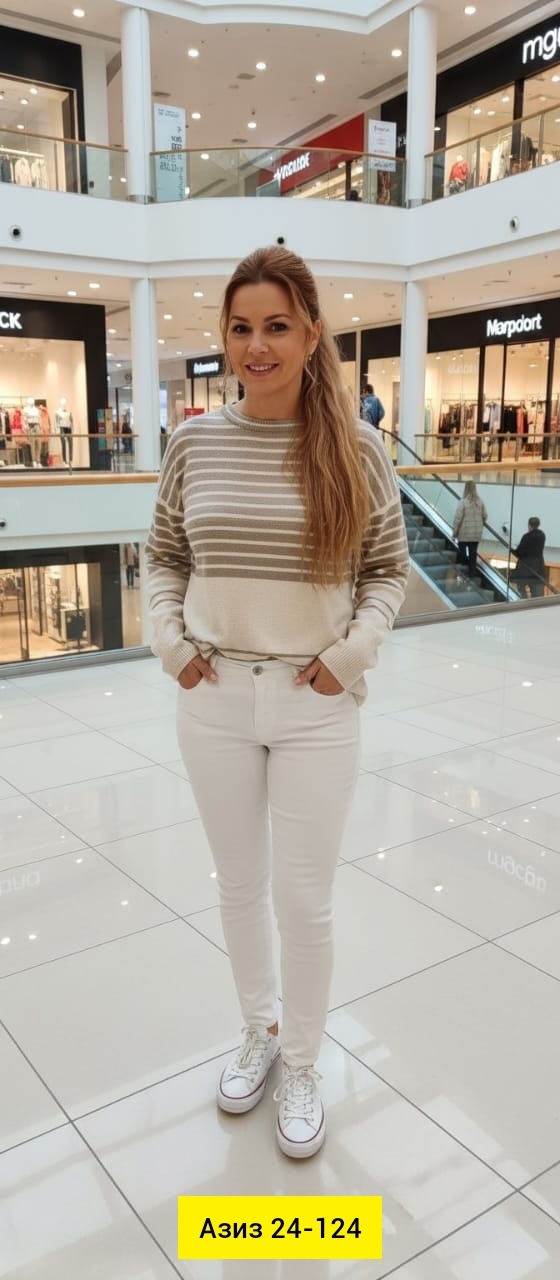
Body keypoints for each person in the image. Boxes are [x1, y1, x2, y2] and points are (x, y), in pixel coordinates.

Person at [146, 245, 409, 1160]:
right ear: (225, 336)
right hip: (213, 695)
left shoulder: (356, 447)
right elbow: (164, 554)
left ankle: (301, 1059)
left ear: (309, 334)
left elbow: (386, 572)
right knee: (237, 886)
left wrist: (348, 656)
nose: (256, 346)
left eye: (276, 327)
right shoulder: (194, 442)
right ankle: (257, 1031)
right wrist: (172, 646)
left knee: (304, 901)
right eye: (241, 328)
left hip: (314, 702)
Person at [452, 480, 487, 578]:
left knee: (462, 554)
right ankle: (472, 575)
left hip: (464, 533)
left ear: (466, 488)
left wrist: (454, 532)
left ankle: (462, 573)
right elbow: (485, 515)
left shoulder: (463, 502)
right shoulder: (480, 502)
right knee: (473, 554)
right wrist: (479, 524)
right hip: (476, 533)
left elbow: (458, 518)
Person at [512, 517, 546, 598]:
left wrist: (512, 550)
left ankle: (524, 600)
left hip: (525, 568)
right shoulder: (542, 535)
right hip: (538, 567)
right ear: (538, 524)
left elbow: (519, 553)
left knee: (521, 587)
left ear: (529, 525)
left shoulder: (526, 537)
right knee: (537, 594)